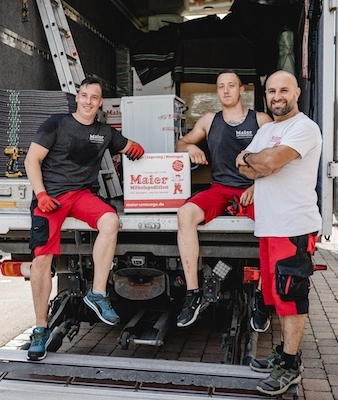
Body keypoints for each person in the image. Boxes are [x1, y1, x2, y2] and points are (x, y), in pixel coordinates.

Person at [24, 77, 145, 361]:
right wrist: (40, 194)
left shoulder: (104, 133)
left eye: (94, 97)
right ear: (77, 98)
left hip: (80, 196)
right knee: (41, 259)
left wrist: (138, 149)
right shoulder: (57, 124)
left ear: (100, 102)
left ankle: (98, 293)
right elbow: (32, 160)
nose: (88, 101)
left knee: (110, 221)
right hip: (50, 196)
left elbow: (129, 147)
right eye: (84, 95)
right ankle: (40, 329)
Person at [235, 70, 322, 395]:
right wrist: (256, 161)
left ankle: (291, 365)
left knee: (291, 297)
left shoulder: (304, 128)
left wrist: (258, 161)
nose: (277, 96)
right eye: (271, 90)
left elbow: (268, 163)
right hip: (270, 228)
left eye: (284, 90)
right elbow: (240, 164)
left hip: (293, 227)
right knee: (275, 296)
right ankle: (284, 356)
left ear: (296, 92)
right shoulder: (269, 129)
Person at [175, 69, 272, 328]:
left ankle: (262, 298)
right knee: (185, 214)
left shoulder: (261, 120)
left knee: (272, 223)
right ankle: (193, 293)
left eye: (231, 85)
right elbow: (180, 144)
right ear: (217, 92)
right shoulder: (208, 120)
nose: (226, 90)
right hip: (219, 189)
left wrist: (260, 185)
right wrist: (191, 146)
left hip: (254, 189)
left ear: (242, 90)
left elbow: (278, 158)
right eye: (221, 86)